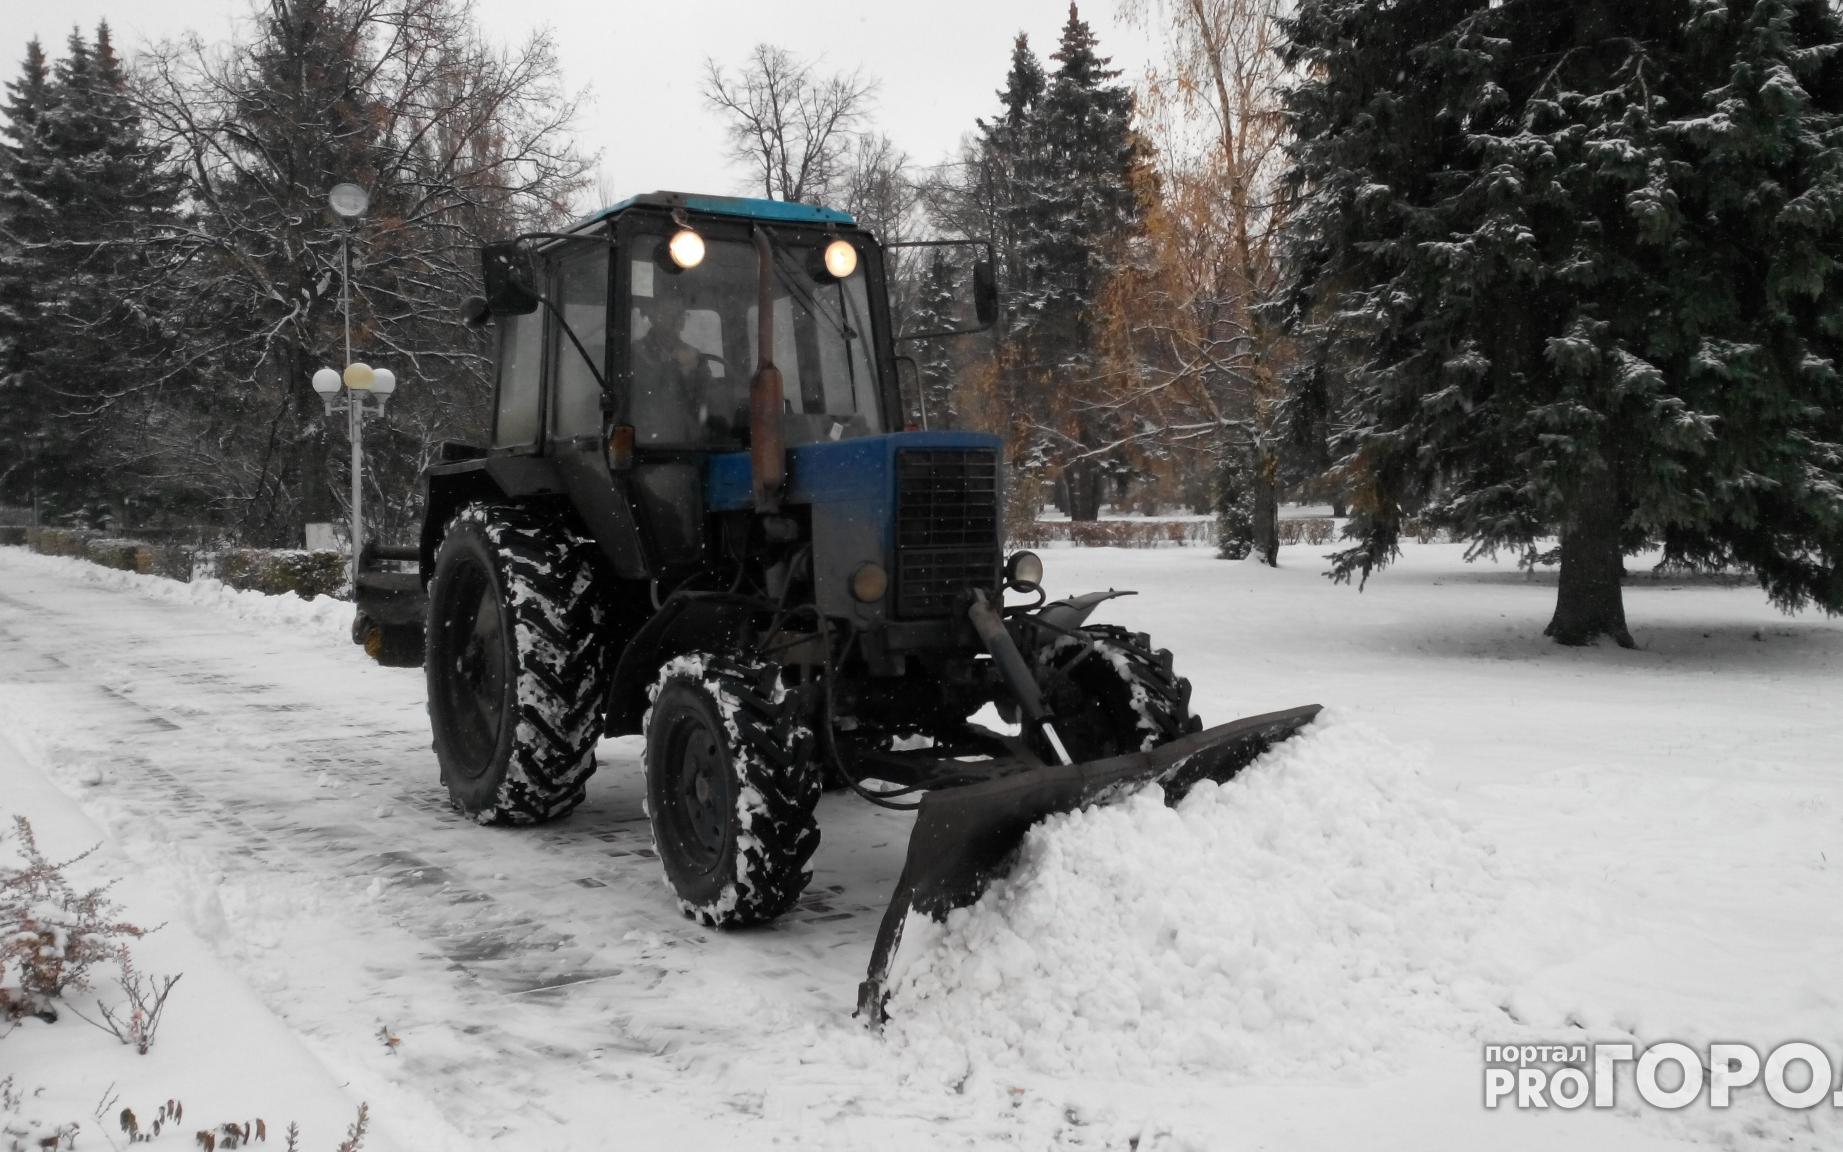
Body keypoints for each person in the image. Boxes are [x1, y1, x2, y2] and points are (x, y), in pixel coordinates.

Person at [629, 289, 734, 443]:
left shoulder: (694, 355)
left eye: (680, 314)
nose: (676, 320)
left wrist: (694, 374)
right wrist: (674, 366)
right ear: (653, 316)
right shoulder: (636, 352)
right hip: (648, 443)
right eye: (669, 313)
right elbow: (645, 393)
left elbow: (708, 399)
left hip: (690, 443)